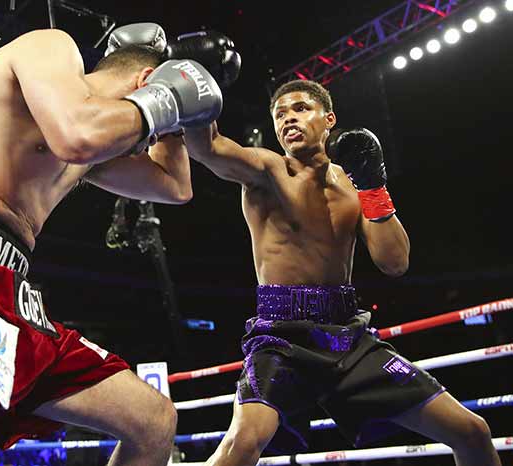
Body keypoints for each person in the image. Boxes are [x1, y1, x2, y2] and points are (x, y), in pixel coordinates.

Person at [0, 23, 223, 466]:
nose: (149, 138)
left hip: (12, 291)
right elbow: (79, 134)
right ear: (144, 84)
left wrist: (176, 118)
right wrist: (166, 100)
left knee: (152, 419)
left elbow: (174, 187)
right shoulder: (50, 48)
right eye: (155, 124)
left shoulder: (88, 152)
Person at [185, 78, 501, 466]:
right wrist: (195, 84)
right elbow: (208, 147)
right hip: (282, 335)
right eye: (280, 114)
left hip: (347, 335)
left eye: (300, 108)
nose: (288, 119)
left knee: (472, 432)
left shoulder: (354, 186)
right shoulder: (267, 170)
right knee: (241, 445)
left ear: (329, 118)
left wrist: (373, 186)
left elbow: (395, 262)